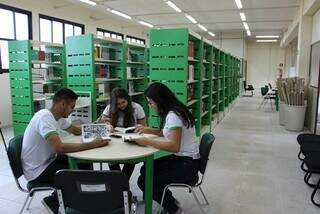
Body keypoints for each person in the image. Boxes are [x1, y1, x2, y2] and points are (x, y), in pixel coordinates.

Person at [21, 88, 109, 214]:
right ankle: (53, 201)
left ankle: (84, 197)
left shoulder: (57, 117)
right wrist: (92, 144)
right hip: (37, 170)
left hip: (46, 161)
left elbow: (77, 130)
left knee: (83, 162)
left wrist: (97, 124)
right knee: (78, 173)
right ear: (62, 104)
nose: (73, 110)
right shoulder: (44, 117)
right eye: (72, 106)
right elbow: (60, 148)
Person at [134, 82, 200, 214]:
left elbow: (174, 146)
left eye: (151, 102)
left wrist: (147, 141)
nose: (150, 105)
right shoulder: (175, 110)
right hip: (185, 159)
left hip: (187, 165)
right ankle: (170, 201)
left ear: (159, 101)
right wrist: (149, 130)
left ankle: (174, 208)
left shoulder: (173, 116)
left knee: (144, 180)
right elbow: (167, 132)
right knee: (146, 168)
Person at [99, 87, 146, 179]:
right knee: (111, 160)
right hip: (113, 139)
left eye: (123, 102)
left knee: (131, 160)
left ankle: (122, 182)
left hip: (131, 139)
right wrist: (107, 125)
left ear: (127, 99)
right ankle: (120, 183)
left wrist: (139, 127)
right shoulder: (109, 108)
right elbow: (102, 122)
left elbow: (144, 126)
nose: (121, 106)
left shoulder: (137, 107)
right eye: (117, 104)